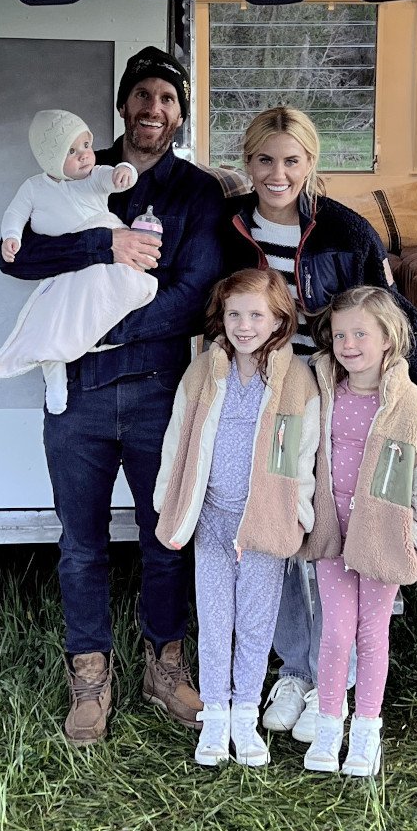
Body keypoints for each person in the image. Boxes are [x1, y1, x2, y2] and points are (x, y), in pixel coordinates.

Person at [0, 46, 225, 746]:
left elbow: (197, 291)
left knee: (166, 534)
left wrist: (103, 333)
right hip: (80, 395)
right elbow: (16, 258)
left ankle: (165, 662)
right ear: (123, 104)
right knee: (81, 542)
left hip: (160, 387)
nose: (152, 108)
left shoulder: (196, 193)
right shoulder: (73, 169)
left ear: (180, 112)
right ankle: (90, 672)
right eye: (142, 95)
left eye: (166, 97)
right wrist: (104, 240)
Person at [217, 106, 417, 742]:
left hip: (322, 398)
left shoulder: (346, 231)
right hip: (258, 401)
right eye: (265, 159)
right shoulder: (227, 226)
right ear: (248, 162)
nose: (278, 173)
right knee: (281, 526)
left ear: (311, 164)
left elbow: (394, 316)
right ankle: (296, 668)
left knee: (326, 524)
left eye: (292, 160)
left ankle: (330, 670)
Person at [152, 268, 318, 767]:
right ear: (221, 319)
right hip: (213, 519)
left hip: (262, 523)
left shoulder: (295, 380)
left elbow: (302, 459)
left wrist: (296, 516)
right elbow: (178, 439)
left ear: (279, 320)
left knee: (254, 622)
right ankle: (215, 719)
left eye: (256, 315)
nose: (244, 326)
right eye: (234, 315)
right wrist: (171, 503)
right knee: (215, 618)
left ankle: (246, 715)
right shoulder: (204, 370)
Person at [299, 286, 417, 777]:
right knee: (335, 632)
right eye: (340, 334)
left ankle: (366, 730)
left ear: (388, 338)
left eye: (360, 333)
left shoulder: (411, 405)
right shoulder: (323, 393)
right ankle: (328, 724)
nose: (348, 344)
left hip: (383, 540)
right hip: (332, 536)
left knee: (373, 634)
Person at [0, 110, 155, 415]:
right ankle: (55, 381)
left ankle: (97, 335)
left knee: (120, 286)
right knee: (50, 323)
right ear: (50, 159)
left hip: (97, 260)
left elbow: (115, 176)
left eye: (86, 145)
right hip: (64, 266)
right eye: (71, 151)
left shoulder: (92, 178)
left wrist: (125, 172)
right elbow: (15, 214)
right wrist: (12, 236)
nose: (84, 156)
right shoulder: (34, 188)